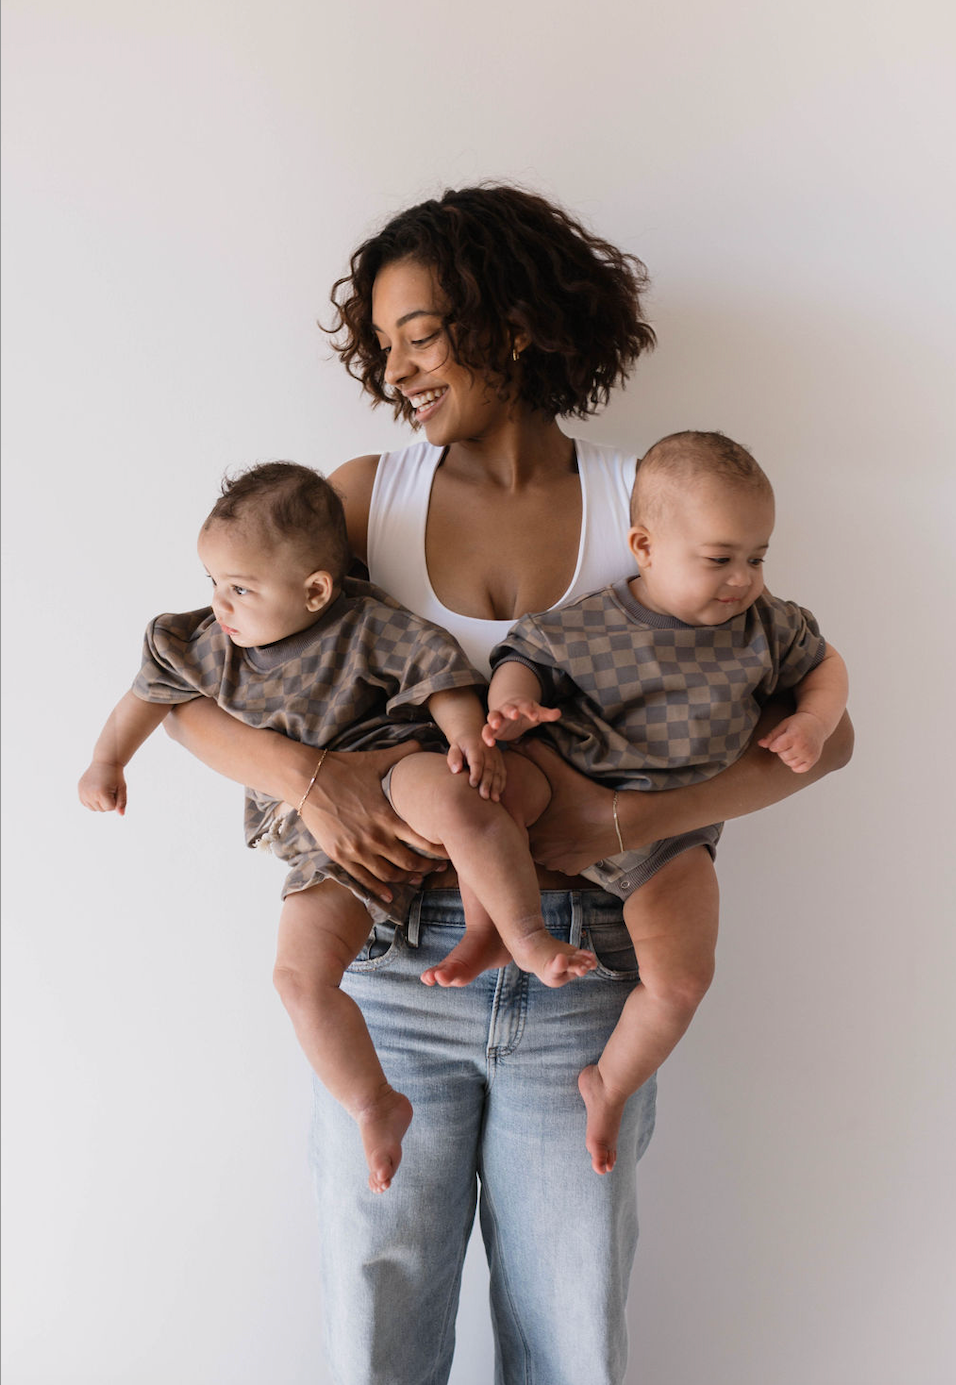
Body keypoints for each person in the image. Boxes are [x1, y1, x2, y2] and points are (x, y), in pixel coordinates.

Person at [162, 184, 853, 1385]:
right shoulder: (361, 499)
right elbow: (187, 695)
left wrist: (631, 818)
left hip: (587, 964)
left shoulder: (652, 505)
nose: (396, 370)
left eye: (419, 334)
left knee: (570, 1330)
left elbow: (818, 741)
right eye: (382, 345)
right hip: (385, 956)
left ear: (514, 322)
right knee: (378, 1324)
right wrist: (315, 779)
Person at [77, 460, 596, 1193]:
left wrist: (466, 736)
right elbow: (148, 696)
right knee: (297, 977)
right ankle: (371, 1101)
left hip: (388, 766)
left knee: (459, 802)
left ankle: (525, 935)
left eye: (242, 588)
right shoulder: (201, 643)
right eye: (214, 583)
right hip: (314, 840)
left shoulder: (365, 624)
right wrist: (107, 761)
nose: (221, 604)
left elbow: (439, 673)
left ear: (315, 588)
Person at [477, 429, 848, 1174]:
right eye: (719, 559)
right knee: (483, 787)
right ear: (644, 546)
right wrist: (513, 707)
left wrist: (811, 720)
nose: (742, 578)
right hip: (568, 782)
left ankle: (609, 1083)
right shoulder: (591, 623)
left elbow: (827, 667)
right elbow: (523, 657)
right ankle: (493, 927)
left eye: (756, 557)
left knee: (681, 981)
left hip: (670, 839)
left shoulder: (767, 628)